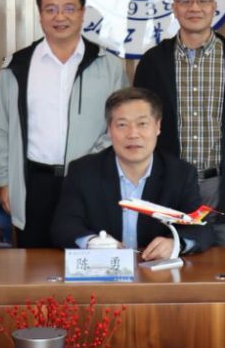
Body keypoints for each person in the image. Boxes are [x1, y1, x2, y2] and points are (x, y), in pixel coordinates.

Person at [0, 0, 127, 247]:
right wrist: (6, 180)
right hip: (33, 183)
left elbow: (120, 125)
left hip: (90, 181)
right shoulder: (17, 66)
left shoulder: (109, 65)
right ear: (40, 15)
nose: (60, 17)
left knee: (88, 255)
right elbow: (1, 129)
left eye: (69, 8)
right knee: (35, 262)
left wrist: (90, 165)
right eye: (51, 9)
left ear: (82, 13)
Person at [133, 0, 225, 246]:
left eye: (203, 0)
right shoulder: (153, 63)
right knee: (173, 259)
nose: (195, 7)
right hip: (170, 188)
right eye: (186, 1)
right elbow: (140, 125)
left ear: (214, 6)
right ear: (174, 8)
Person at [51, 87, 214, 257]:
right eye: (122, 125)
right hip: (103, 270)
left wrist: (176, 244)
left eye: (142, 124)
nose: (133, 134)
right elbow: (64, 226)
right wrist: (92, 242)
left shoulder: (180, 174)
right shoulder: (83, 171)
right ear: (109, 129)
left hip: (155, 270)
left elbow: (202, 228)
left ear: (158, 126)